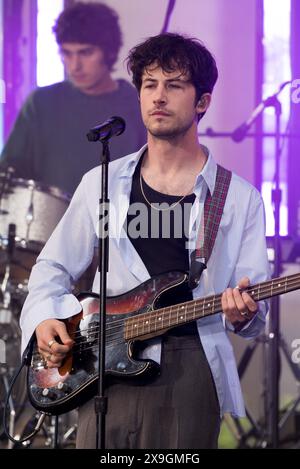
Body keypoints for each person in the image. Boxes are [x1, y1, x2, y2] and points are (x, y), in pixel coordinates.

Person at [19, 33, 270, 449]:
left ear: (202, 101)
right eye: (149, 84)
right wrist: (44, 319)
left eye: (174, 85)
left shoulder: (239, 198)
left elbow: (250, 310)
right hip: (104, 362)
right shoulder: (103, 183)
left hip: (189, 367)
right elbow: (52, 268)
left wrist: (243, 315)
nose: (158, 96)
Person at [0, 2, 145, 195]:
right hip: (50, 222)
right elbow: (9, 176)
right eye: (66, 53)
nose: (74, 65)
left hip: (120, 221)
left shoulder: (138, 104)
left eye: (85, 52)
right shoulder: (41, 104)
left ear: (109, 51)